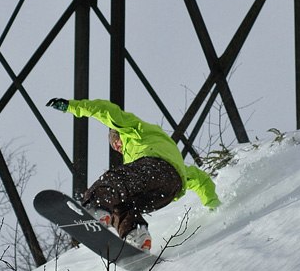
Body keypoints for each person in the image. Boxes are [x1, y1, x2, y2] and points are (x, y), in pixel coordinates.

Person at [46, 97, 220, 252]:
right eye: (115, 148)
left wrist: (72, 107)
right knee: (121, 204)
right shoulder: (162, 155)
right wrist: (216, 207)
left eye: (117, 143)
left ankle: (95, 207)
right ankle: (137, 236)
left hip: (155, 168)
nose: (118, 149)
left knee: (113, 180)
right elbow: (200, 179)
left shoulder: (135, 130)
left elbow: (105, 110)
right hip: (168, 189)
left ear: (118, 134)